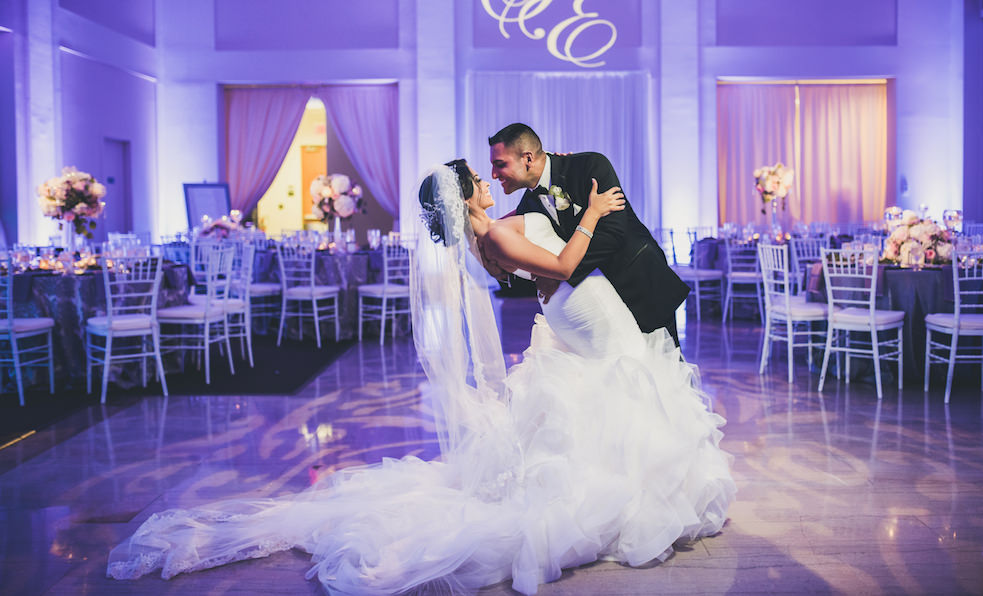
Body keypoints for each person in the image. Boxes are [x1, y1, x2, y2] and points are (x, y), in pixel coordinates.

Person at [107, 161, 734, 595]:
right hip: (578, 304)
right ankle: (622, 488)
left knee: (605, 396)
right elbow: (567, 263)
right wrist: (593, 211)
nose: (489, 182)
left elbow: (536, 240)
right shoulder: (495, 238)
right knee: (611, 394)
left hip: (576, 316)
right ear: (466, 202)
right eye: (477, 180)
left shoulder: (494, 229)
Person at [488, 122, 689, 345]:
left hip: (640, 285)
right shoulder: (528, 207)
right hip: (600, 306)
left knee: (663, 370)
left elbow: (614, 233)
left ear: (527, 158)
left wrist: (560, 273)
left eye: (500, 165)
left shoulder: (589, 166)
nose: (494, 174)